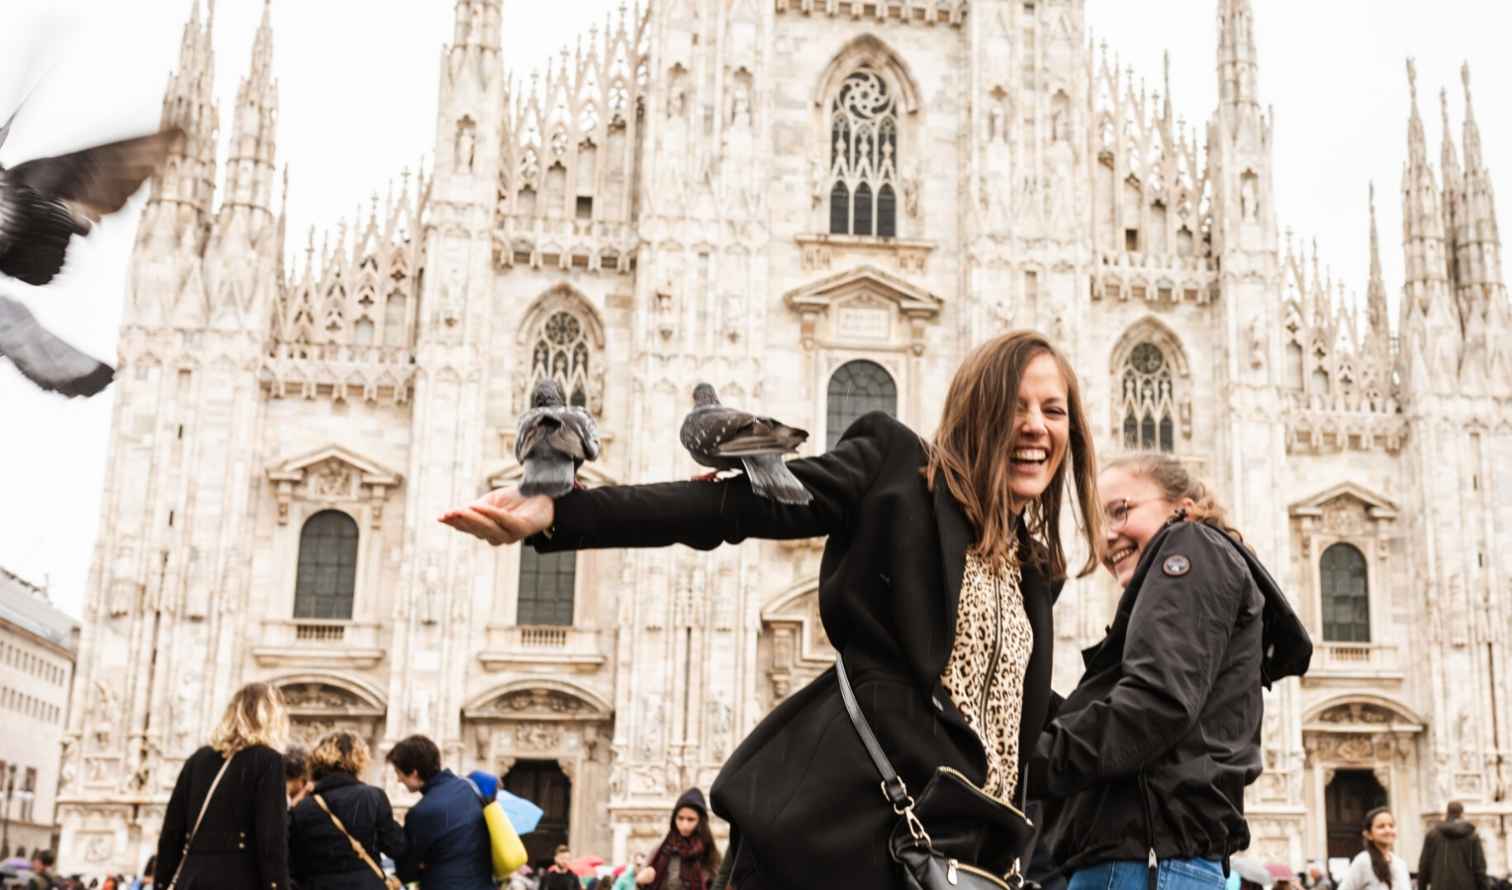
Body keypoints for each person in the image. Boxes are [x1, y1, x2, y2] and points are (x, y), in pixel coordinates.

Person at [441, 331, 1104, 890]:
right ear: (975, 411)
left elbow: (1027, 727)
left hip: (951, 866)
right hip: (838, 842)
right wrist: (561, 512)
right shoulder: (900, 471)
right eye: (1016, 406)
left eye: (1053, 410)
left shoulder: (1035, 571)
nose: (1035, 427)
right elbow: (735, 508)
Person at [1031, 454, 1312, 890]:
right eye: (1095, 524)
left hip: (1145, 864)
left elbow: (1154, 706)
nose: (1107, 537)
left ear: (1181, 506)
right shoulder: (1197, 567)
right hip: (1150, 860)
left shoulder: (1189, 546)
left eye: (1121, 510)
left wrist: (1023, 763)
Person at [154, 682, 292, 890]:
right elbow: (271, 840)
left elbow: (171, 833)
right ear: (272, 717)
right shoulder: (268, 761)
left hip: (192, 879)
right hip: (239, 879)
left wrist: (162, 883)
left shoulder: (198, 759)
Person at [288, 730, 407, 889]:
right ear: (359, 760)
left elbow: (293, 863)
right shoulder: (373, 797)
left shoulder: (303, 808)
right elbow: (396, 847)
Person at [385, 734, 491, 890]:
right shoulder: (468, 788)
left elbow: (407, 871)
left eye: (398, 772)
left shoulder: (420, 813)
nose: (398, 780)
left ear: (414, 773)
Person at [634, 789, 720, 890]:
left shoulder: (710, 854)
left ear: (701, 821)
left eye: (690, 819)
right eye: (680, 818)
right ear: (674, 819)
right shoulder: (660, 851)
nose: (684, 825)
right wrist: (640, 883)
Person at [1419, 801, 1489, 890]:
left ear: (1447, 813)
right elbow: (1479, 869)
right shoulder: (1472, 836)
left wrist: (1422, 887)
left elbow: (1424, 866)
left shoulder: (1432, 835)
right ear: (1462, 814)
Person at [1337, 808, 1409, 890]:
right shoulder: (1363, 861)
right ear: (1368, 834)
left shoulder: (1401, 864)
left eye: (1391, 826)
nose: (1388, 830)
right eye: (1381, 826)